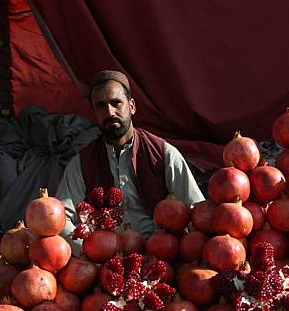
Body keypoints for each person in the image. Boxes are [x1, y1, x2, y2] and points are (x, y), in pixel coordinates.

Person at [56, 70, 205, 253]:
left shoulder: (163, 153)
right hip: (104, 263)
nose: (110, 112)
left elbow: (197, 211)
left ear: (132, 106)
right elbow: (60, 221)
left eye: (116, 103)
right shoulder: (81, 164)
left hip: (160, 257)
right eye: (101, 106)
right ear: (94, 113)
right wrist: (90, 252)